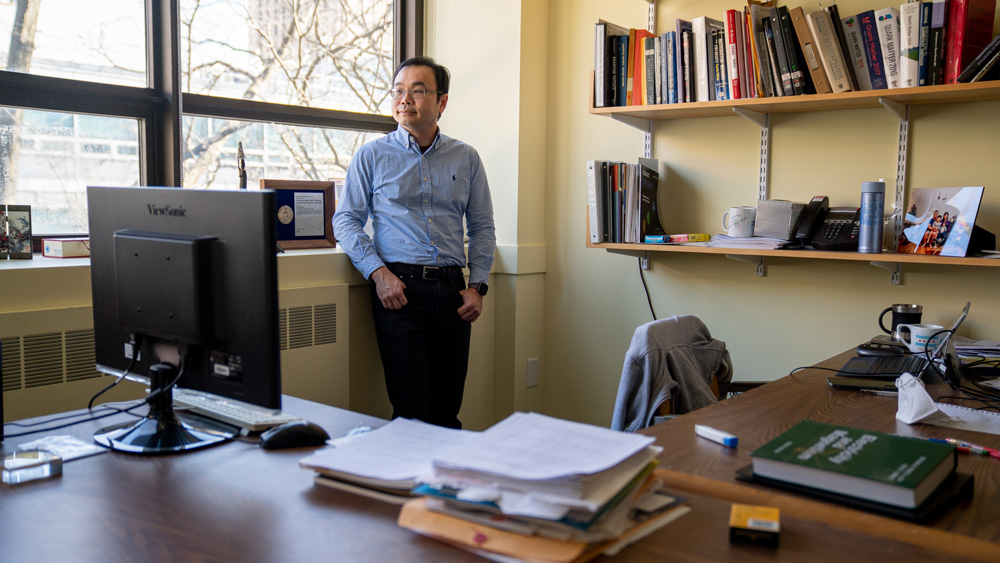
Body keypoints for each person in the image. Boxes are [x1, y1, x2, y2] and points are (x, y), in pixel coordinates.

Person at [332, 57, 496, 429]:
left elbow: (483, 227)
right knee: (410, 413)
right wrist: (378, 274)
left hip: (455, 295)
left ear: (441, 102)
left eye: (418, 90)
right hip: (400, 291)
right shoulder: (371, 156)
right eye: (399, 91)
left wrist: (478, 287)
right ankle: (405, 486)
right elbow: (345, 220)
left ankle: (442, 486)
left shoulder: (466, 158)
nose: (405, 99)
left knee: (447, 410)